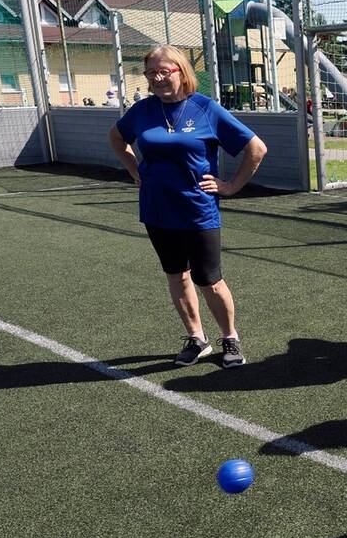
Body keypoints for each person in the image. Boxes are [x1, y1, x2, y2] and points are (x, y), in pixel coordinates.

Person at [107, 44, 267, 367]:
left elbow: (256, 148)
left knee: (209, 279)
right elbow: (116, 137)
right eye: (151, 73)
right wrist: (135, 170)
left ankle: (230, 338)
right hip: (156, 210)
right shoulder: (142, 111)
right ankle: (197, 338)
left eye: (164, 72)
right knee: (177, 276)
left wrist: (230, 186)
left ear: (181, 71)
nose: (157, 79)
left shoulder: (206, 109)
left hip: (198, 211)